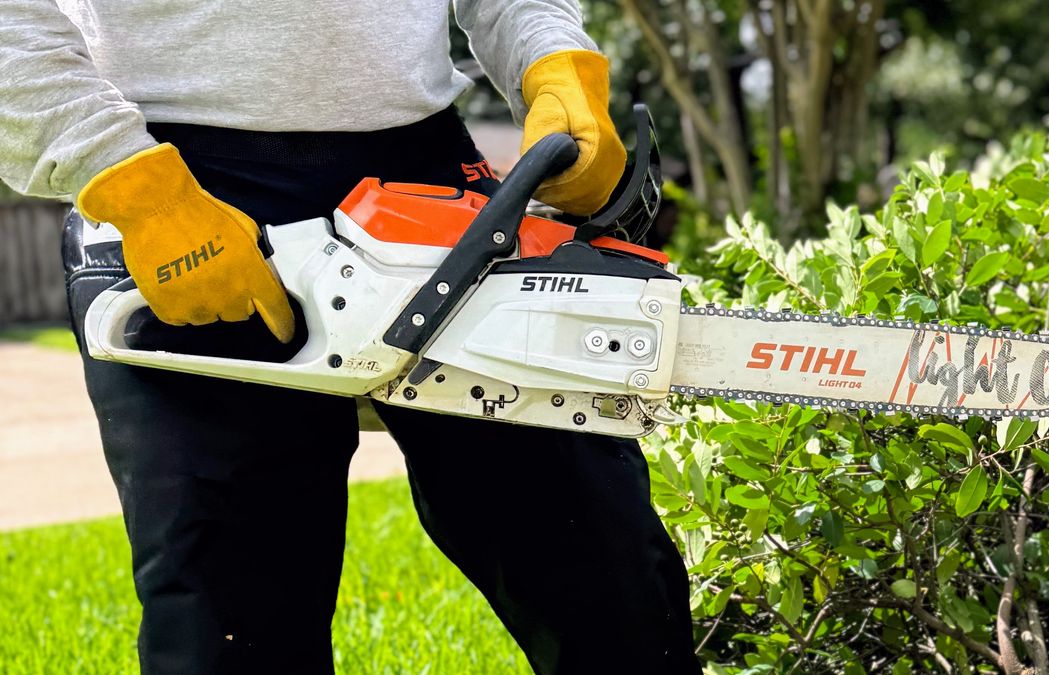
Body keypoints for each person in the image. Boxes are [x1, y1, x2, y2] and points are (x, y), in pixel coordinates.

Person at [0, 2, 701, 673]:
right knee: (235, 619)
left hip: (422, 163)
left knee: (608, 572)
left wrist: (552, 65)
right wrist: (126, 179)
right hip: (181, 181)